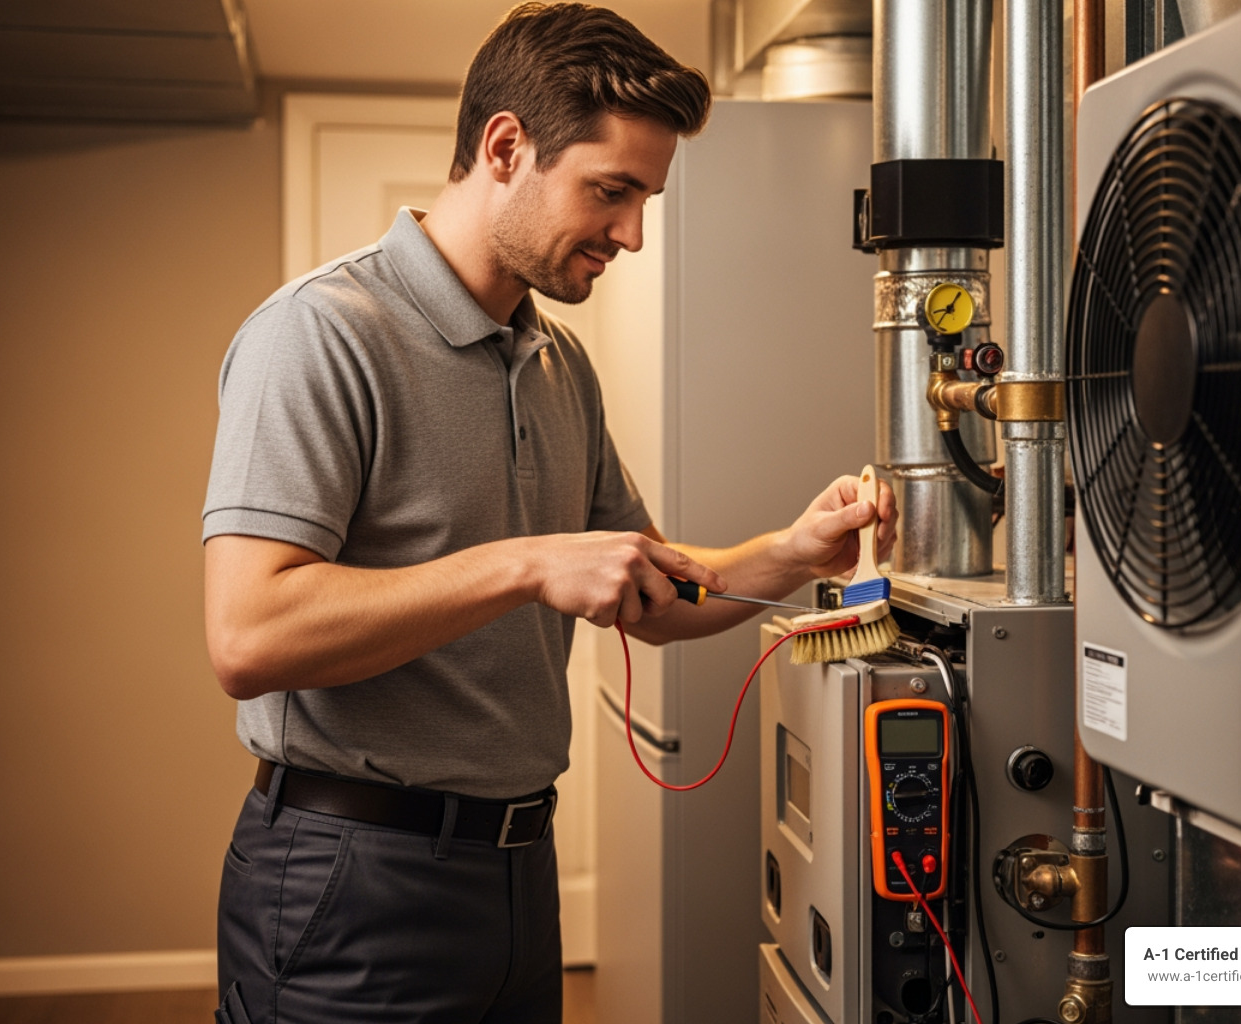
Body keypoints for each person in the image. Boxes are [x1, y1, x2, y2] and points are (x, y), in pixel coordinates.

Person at [202, 3, 896, 1022]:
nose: (632, 235)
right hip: (349, 877)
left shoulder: (557, 362)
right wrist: (526, 565)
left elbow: (642, 586)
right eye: (610, 192)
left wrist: (789, 553)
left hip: (515, 872)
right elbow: (247, 635)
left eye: (646, 200)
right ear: (503, 147)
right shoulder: (317, 335)